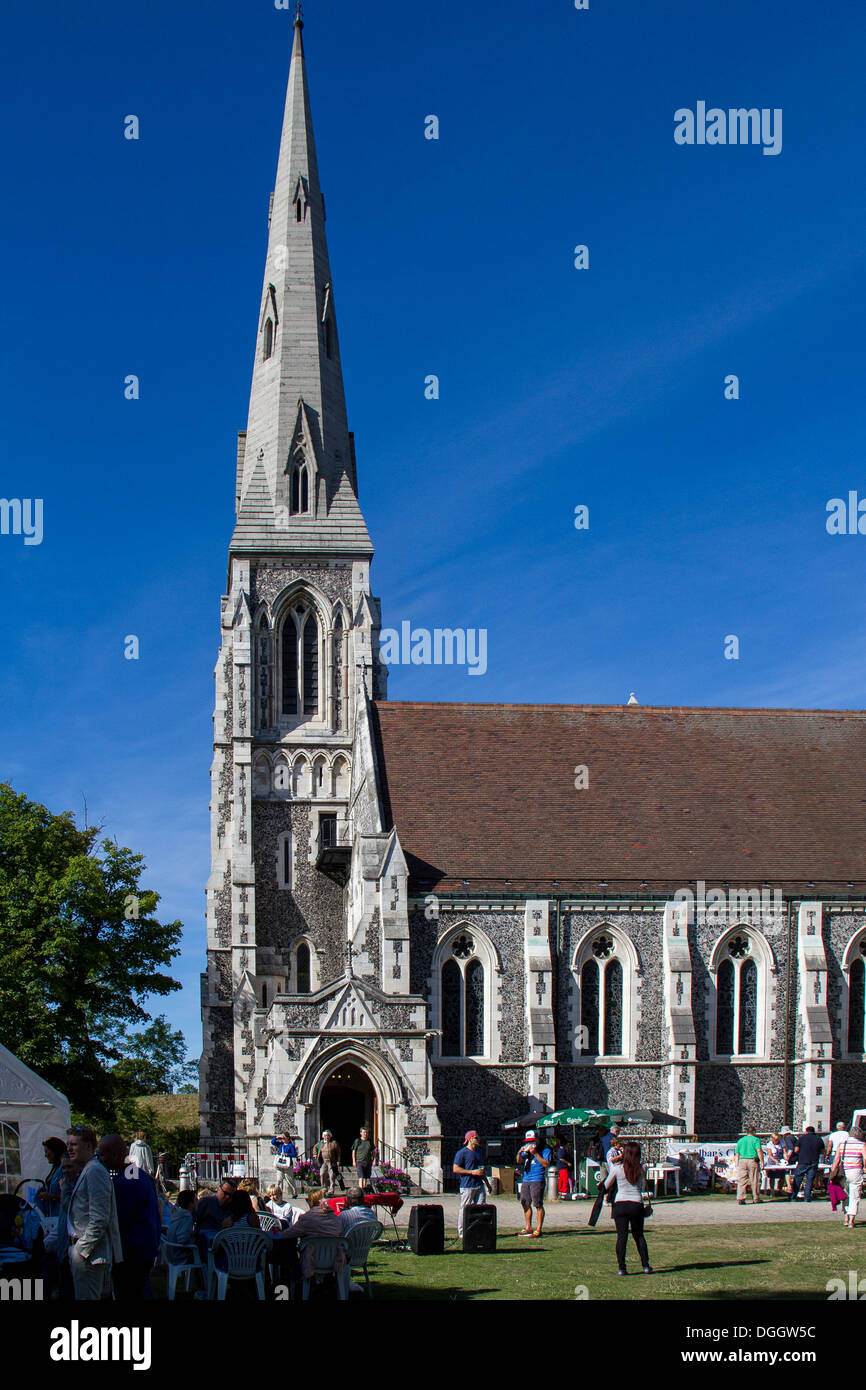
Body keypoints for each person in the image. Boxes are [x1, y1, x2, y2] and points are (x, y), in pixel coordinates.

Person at [98, 1133, 162, 1301]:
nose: (100, 1159)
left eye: (102, 1154)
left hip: (131, 1251)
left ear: (115, 1155)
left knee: (129, 1291)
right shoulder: (139, 1174)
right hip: (146, 1247)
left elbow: (116, 1219)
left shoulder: (125, 1182)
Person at [65, 1125, 122, 1300]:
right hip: (85, 1253)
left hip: (89, 1256)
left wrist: (82, 1250)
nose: (69, 1148)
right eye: (68, 1144)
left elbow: (99, 1218)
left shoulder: (95, 1172)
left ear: (89, 1146)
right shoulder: (88, 1170)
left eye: (74, 1144)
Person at [605, 1141, 652, 1275]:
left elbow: (607, 1185)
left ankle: (622, 1267)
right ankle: (645, 1265)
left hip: (620, 1204)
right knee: (639, 1236)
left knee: (622, 1237)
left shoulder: (617, 1169)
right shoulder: (641, 1169)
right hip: (636, 1203)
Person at [281, 1188, 346, 1282]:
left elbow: (288, 1234)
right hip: (335, 1259)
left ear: (311, 1201)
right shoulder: (335, 1218)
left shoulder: (307, 1218)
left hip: (312, 1260)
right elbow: (340, 1233)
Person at [516, 1129, 551, 1238]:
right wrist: (520, 1152)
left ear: (538, 1139)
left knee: (538, 1204)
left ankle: (539, 1229)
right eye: (528, 1141)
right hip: (526, 1179)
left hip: (537, 1179)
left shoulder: (545, 1149)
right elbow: (518, 1161)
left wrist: (535, 1153)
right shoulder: (526, 1149)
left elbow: (546, 1164)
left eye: (533, 1140)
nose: (531, 1143)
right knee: (524, 1202)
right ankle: (528, 1227)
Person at [453, 1130, 487, 1237]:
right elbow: (455, 1169)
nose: (478, 1140)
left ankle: (477, 1229)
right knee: (465, 1209)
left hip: (479, 1185)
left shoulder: (478, 1152)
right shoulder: (462, 1153)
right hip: (467, 1186)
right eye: (476, 1138)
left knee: (480, 1208)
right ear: (470, 1139)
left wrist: (487, 1183)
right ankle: (462, 1232)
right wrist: (472, 1172)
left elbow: (481, 1170)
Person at [832, 1125, 866, 1229]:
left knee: (846, 1195)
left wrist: (833, 1172)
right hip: (855, 1171)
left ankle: (846, 1218)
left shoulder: (842, 1144)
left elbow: (836, 1159)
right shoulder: (861, 1144)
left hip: (843, 1172)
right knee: (854, 1195)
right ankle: (851, 1220)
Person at [788, 1126, 824, 1203]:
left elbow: (796, 1150)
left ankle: (793, 1196)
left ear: (806, 1131)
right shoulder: (819, 1139)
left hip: (803, 1161)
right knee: (809, 1180)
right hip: (814, 1161)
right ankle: (807, 1197)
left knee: (798, 1179)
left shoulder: (802, 1138)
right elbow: (822, 1151)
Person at [735, 1125, 764, 1205]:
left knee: (742, 1180)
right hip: (752, 1160)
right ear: (754, 1132)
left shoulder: (740, 1140)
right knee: (754, 1179)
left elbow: (737, 1153)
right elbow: (759, 1150)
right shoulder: (756, 1140)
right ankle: (755, 1197)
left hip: (742, 1160)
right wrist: (762, 1161)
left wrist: (737, 1164)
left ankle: (741, 1197)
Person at [166, 1190, 198, 1260]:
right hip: (179, 1256)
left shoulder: (177, 1214)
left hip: (170, 1253)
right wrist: (194, 1240)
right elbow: (183, 1239)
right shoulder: (187, 1217)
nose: (198, 1202)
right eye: (196, 1200)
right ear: (191, 1204)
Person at [42, 1137, 67, 1210]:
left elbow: (70, 1197)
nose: (45, 1155)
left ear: (55, 1151)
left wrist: (52, 1196)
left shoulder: (64, 1169)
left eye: (47, 1151)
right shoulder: (54, 1167)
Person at [316, 1130, 344, 1195]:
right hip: (324, 1161)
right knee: (322, 1174)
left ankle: (331, 1190)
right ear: (323, 1137)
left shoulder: (333, 1143)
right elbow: (315, 1148)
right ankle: (324, 1188)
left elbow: (338, 1152)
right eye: (325, 1136)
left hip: (331, 1162)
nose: (327, 1137)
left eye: (328, 1135)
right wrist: (315, 1154)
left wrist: (338, 1161)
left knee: (331, 1176)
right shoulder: (321, 1143)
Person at [779, 1127, 797, 1194]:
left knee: (787, 1172)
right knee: (793, 1173)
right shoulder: (793, 1137)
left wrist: (787, 1157)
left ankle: (789, 1186)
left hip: (791, 1158)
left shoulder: (788, 1138)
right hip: (795, 1157)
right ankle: (792, 1186)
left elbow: (791, 1148)